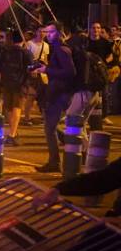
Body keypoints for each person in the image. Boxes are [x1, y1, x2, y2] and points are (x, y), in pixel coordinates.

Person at [34, 24, 76, 173]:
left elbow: (70, 72)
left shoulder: (61, 49)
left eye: (51, 32)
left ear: (59, 32)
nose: (48, 34)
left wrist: (47, 69)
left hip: (60, 94)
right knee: (52, 126)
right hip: (58, 93)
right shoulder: (57, 49)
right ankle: (73, 148)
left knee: (49, 128)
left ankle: (55, 162)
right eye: (47, 32)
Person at [23, 28, 49, 125]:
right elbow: (25, 59)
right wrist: (30, 70)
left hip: (41, 73)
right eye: (40, 31)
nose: (42, 33)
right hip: (31, 72)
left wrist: (46, 69)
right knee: (31, 95)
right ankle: (26, 117)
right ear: (36, 32)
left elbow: (45, 59)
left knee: (43, 95)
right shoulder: (29, 44)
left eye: (44, 32)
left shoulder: (46, 45)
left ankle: (43, 116)